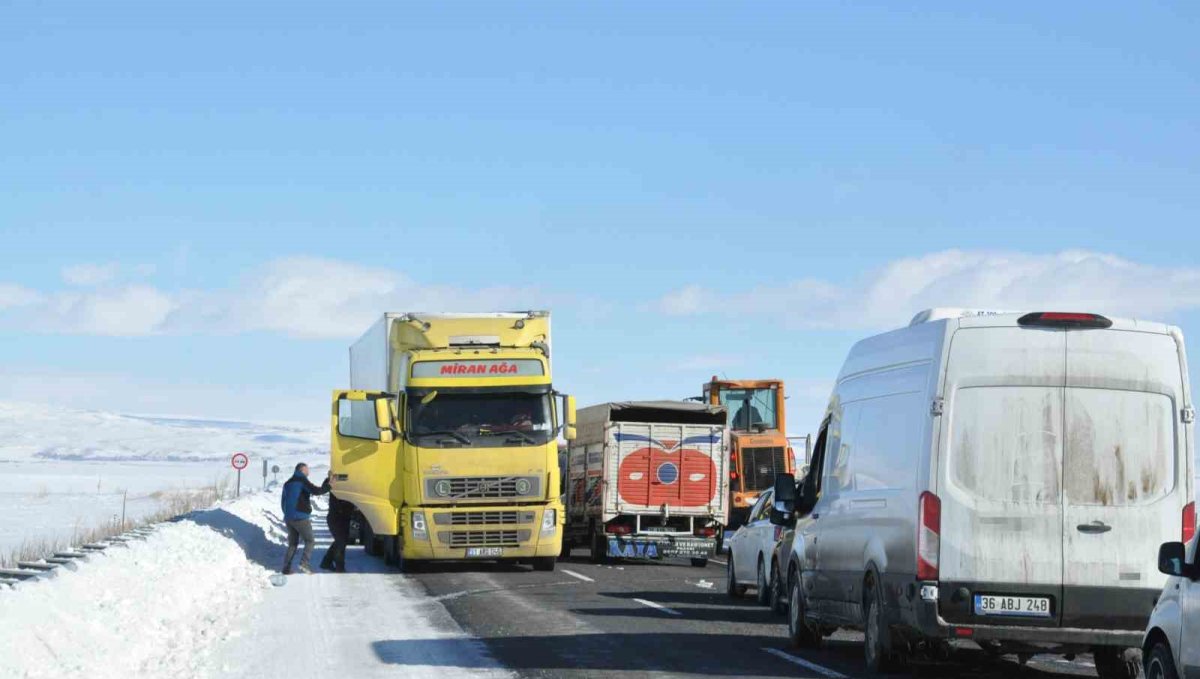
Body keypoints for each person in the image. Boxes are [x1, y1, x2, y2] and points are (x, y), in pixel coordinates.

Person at [280, 462, 330, 574]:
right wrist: (329, 484)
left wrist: (288, 514)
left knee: (293, 544)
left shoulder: (287, 483)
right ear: (302, 470)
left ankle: (286, 568)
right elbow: (317, 491)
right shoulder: (302, 481)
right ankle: (304, 564)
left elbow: (283, 501)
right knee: (310, 541)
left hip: (289, 518)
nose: (309, 472)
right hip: (300, 517)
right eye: (307, 469)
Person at [320, 493, 353, 573]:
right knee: (341, 541)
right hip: (336, 516)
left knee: (341, 540)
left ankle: (327, 562)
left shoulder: (348, 484)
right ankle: (339, 566)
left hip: (343, 516)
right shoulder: (336, 482)